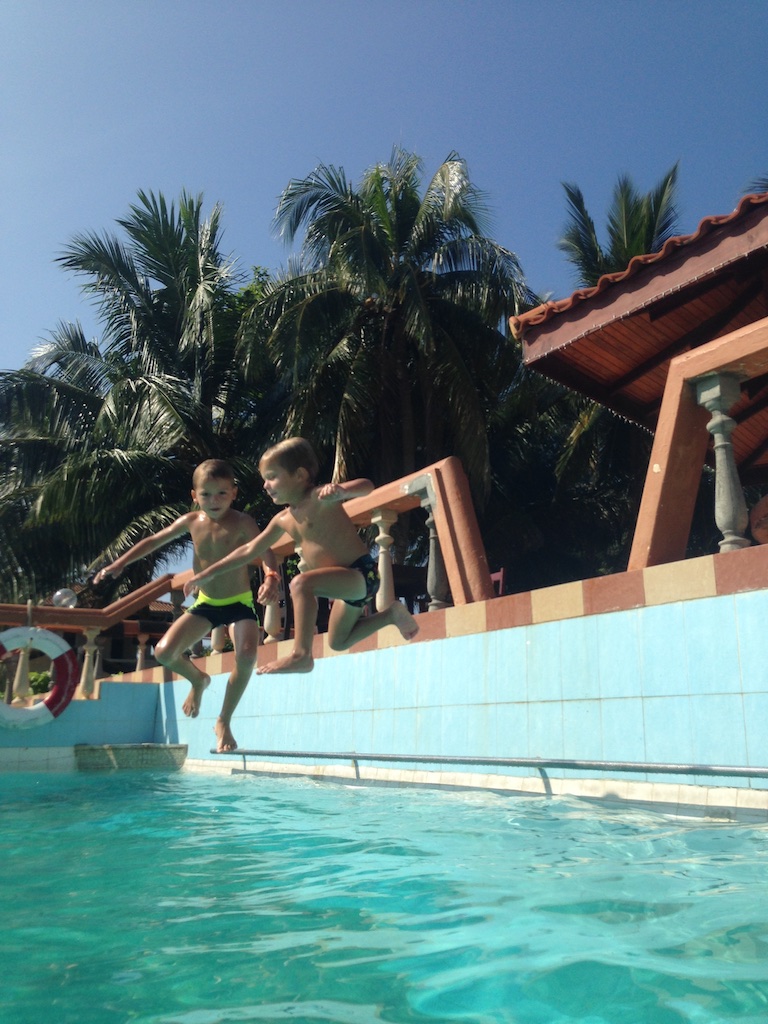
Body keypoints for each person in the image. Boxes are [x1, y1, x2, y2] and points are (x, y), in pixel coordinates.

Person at [184, 438, 419, 674]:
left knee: (301, 583)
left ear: (299, 475)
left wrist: (343, 491)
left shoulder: (320, 498)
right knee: (338, 642)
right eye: (264, 479)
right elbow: (247, 550)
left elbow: (367, 485)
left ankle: (301, 654)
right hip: (346, 589)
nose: (265, 485)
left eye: (272, 477)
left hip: (361, 574)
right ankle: (391, 615)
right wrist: (205, 574)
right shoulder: (282, 520)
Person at [95, 459, 279, 751]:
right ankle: (198, 680)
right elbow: (155, 540)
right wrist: (120, 563)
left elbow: (266, 551)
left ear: (234, 492)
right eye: (205, 494)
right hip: (206, 603)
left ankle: (224, 721)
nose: (213, 501)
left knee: (246, 656)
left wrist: (270, 576)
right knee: (164, 652)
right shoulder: (192, 522)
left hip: (239, 602)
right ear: (195, 496)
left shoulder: (243, 522)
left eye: (221, 493)